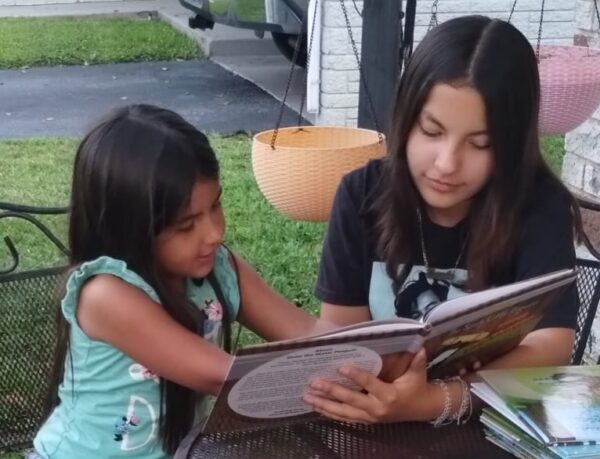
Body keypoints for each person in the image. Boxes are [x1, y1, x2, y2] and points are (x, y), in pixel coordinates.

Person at [304, 15, 583, 426]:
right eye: (431, 132)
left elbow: (551, 344)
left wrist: (435, 400)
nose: (447, 164)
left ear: (511, 145)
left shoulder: (539, 207)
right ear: (405, 119)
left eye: (480, 143)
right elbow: (342, 331)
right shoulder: (362, 194)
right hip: (370, 423)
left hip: (489, 425)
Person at [30, 104, 329, 459]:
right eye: (186, 225)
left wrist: (385, 352)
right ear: (130, 228)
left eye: (215, 206)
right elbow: (221, 375)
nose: (214, 233)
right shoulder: (105, 294)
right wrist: (331, 379)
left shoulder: (220, 268)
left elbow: (309, 334)